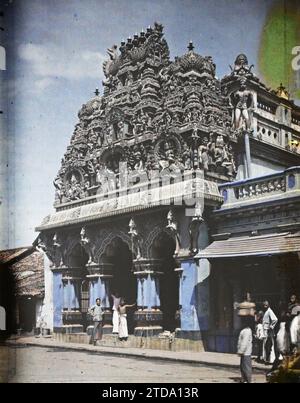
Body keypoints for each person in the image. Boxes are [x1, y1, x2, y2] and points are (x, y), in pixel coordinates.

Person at [237, 317, 253, 383]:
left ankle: (248, 380)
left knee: (246, 367)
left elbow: (244, 342)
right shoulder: (245, 330)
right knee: (243, 367)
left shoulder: (246, 331)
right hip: (244, 352)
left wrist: (241, 351)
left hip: (246, 352)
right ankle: (244, 380)